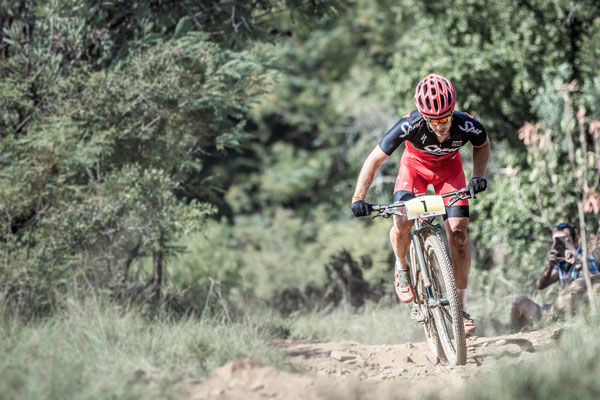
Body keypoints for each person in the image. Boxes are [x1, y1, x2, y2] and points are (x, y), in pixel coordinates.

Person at [350, 73, 490, 336]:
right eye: (433, 120)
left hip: (450, 173)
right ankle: (402, 266)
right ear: (423, 116)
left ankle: (459, 307)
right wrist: (359, 198)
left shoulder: (467, 124)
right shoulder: (409, 125)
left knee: (459, 237)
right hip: (413, 171)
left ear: (452, 111)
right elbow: (374, 160)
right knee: (402, 222)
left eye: (445, 118)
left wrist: (478, 177)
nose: (440, 125)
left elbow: (482, 145)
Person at [511, 223, 600, 328]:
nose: (562, 246)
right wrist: (550, 266)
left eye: (565, 241)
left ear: (575, 241)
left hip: (578, 313)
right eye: (557, 242)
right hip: (557, 310)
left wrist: (578, 264)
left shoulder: (586, 259)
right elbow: (540, 285)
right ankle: (517, 334)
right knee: (519, 301)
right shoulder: (561, 262)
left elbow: (596, 287)